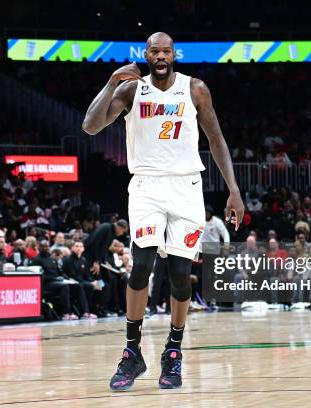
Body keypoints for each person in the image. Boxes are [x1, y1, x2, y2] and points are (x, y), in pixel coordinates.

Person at [83, 32, 244, 390]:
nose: (159, 56)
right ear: (146, 54)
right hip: (146, 186)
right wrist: (110, 83)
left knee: (179, 273)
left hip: (186, 187)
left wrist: (233, 190)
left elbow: (216, 139)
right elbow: (90, 125)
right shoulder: (130, 89)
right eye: (153, 51)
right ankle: (131, 351)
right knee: (141, 265)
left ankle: (173, 351)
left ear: (174, 54)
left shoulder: (195, 88)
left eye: (165, 51)